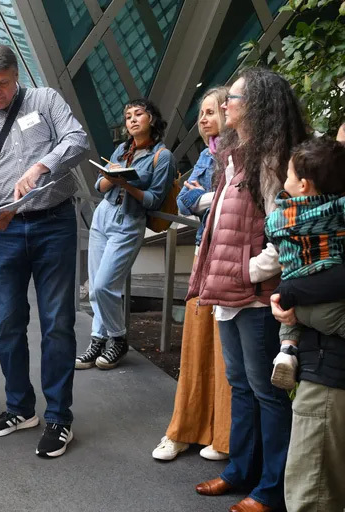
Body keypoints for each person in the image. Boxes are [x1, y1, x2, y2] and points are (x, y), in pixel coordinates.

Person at [0, 43, 89, 458]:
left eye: (3, 83)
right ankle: (19, 408)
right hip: (7, 231)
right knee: (8, 321)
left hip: (54, 223)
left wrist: (42, 165)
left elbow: (78, 138)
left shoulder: (45, 100)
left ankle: (58, 417)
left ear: (18, 75)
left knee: (57, 323)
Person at [187, 68, 306, 512]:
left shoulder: (274, 162)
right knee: (241, 385)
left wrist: (247, 272)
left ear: (255, 105)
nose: (224, 106)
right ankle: (241, 472)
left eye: (232, 98)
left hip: (255, 297)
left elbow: (285, 233)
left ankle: (270, 488)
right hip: (230, 293)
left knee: (266, 392)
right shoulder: (236, 157)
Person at [152, 87, 231, 462]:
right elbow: (184, 197)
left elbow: (230, 201)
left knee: (225, 351)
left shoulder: (244, 155)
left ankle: (222, 434)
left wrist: (205, 198)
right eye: (201, 112)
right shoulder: (204, 156)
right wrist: (206, 198)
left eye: (212, 111)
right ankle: (184, 429)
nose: (203, 119)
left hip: (231, 261)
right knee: (196, 345)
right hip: (205, 256)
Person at [270, 127, 345, 512]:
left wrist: (292, 298)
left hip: (331, 371)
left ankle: (287, 347)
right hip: (321, 361)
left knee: (312, 492)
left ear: (305, 183)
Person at [76, 98, 176, 370]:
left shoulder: (162, 157)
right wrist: (112, 177)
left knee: (102, 286)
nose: (131, 120)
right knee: (96, 283)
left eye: (138, 114)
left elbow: (154, 199)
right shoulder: (122, 148)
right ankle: (98, 339)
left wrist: (127, 184)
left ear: (151, 119)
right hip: (103, 216)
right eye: (128, 116)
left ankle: (117, 339)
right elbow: (100, 185)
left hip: (129, 221)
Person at [265, 137, 345, 390]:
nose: (283, 181)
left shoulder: (283, 218)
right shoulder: (337, 209)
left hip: (295, 291)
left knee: (288, 321)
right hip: (331, 290)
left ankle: (286, 352)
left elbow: (271, 231)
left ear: (302, 185)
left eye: (287, 175)